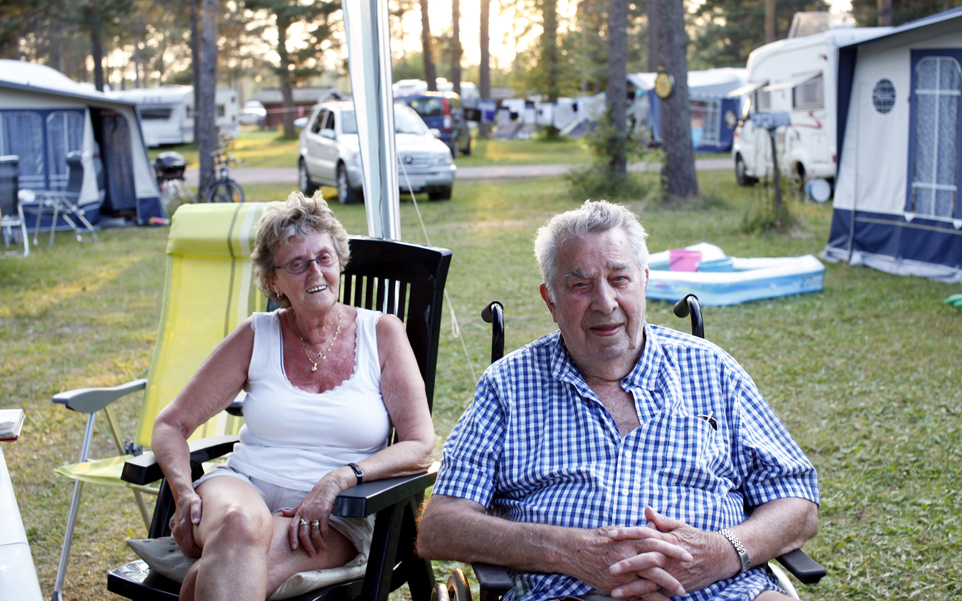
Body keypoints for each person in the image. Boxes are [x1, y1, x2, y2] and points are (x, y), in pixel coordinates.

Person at [417, 200, 819, 601]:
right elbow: (441, 526)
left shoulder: (713, 369)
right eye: (580, 285)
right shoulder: (508, 386)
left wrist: (723, 552)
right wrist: (570, 550)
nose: (605, 302)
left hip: (722, 588)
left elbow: (797, 502)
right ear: (550, 300)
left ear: (644, 281)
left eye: (619, 279)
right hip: (567, 592)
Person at [152, 191, 436, 601]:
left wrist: (340, 478)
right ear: (273, 281)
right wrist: (183, 493)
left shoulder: (382, 334)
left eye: (324, 258)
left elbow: (420, 444)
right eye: (298, 264)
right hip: (242, 488)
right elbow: (170, 424)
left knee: (207, 580)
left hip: (337, 513)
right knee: (237, 526)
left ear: (340, 261)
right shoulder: (258, 334)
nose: (315, 273)